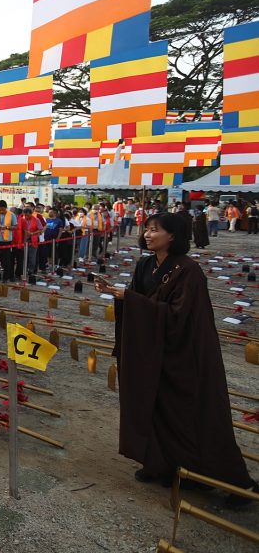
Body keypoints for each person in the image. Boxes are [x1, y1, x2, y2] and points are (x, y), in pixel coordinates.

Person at [99, 213, 258, 503]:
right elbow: (139, 301)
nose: (147, 234)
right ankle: (161, 464)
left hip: (182, 355)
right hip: (152, 351)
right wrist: (120, 295)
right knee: (153, 406)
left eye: (154, 230)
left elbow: (179, 316)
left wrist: (130, 299)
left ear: (173, 235)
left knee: (193, 417)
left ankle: (233, 482)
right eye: (146, 229)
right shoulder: (146, 263)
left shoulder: (189, 271)